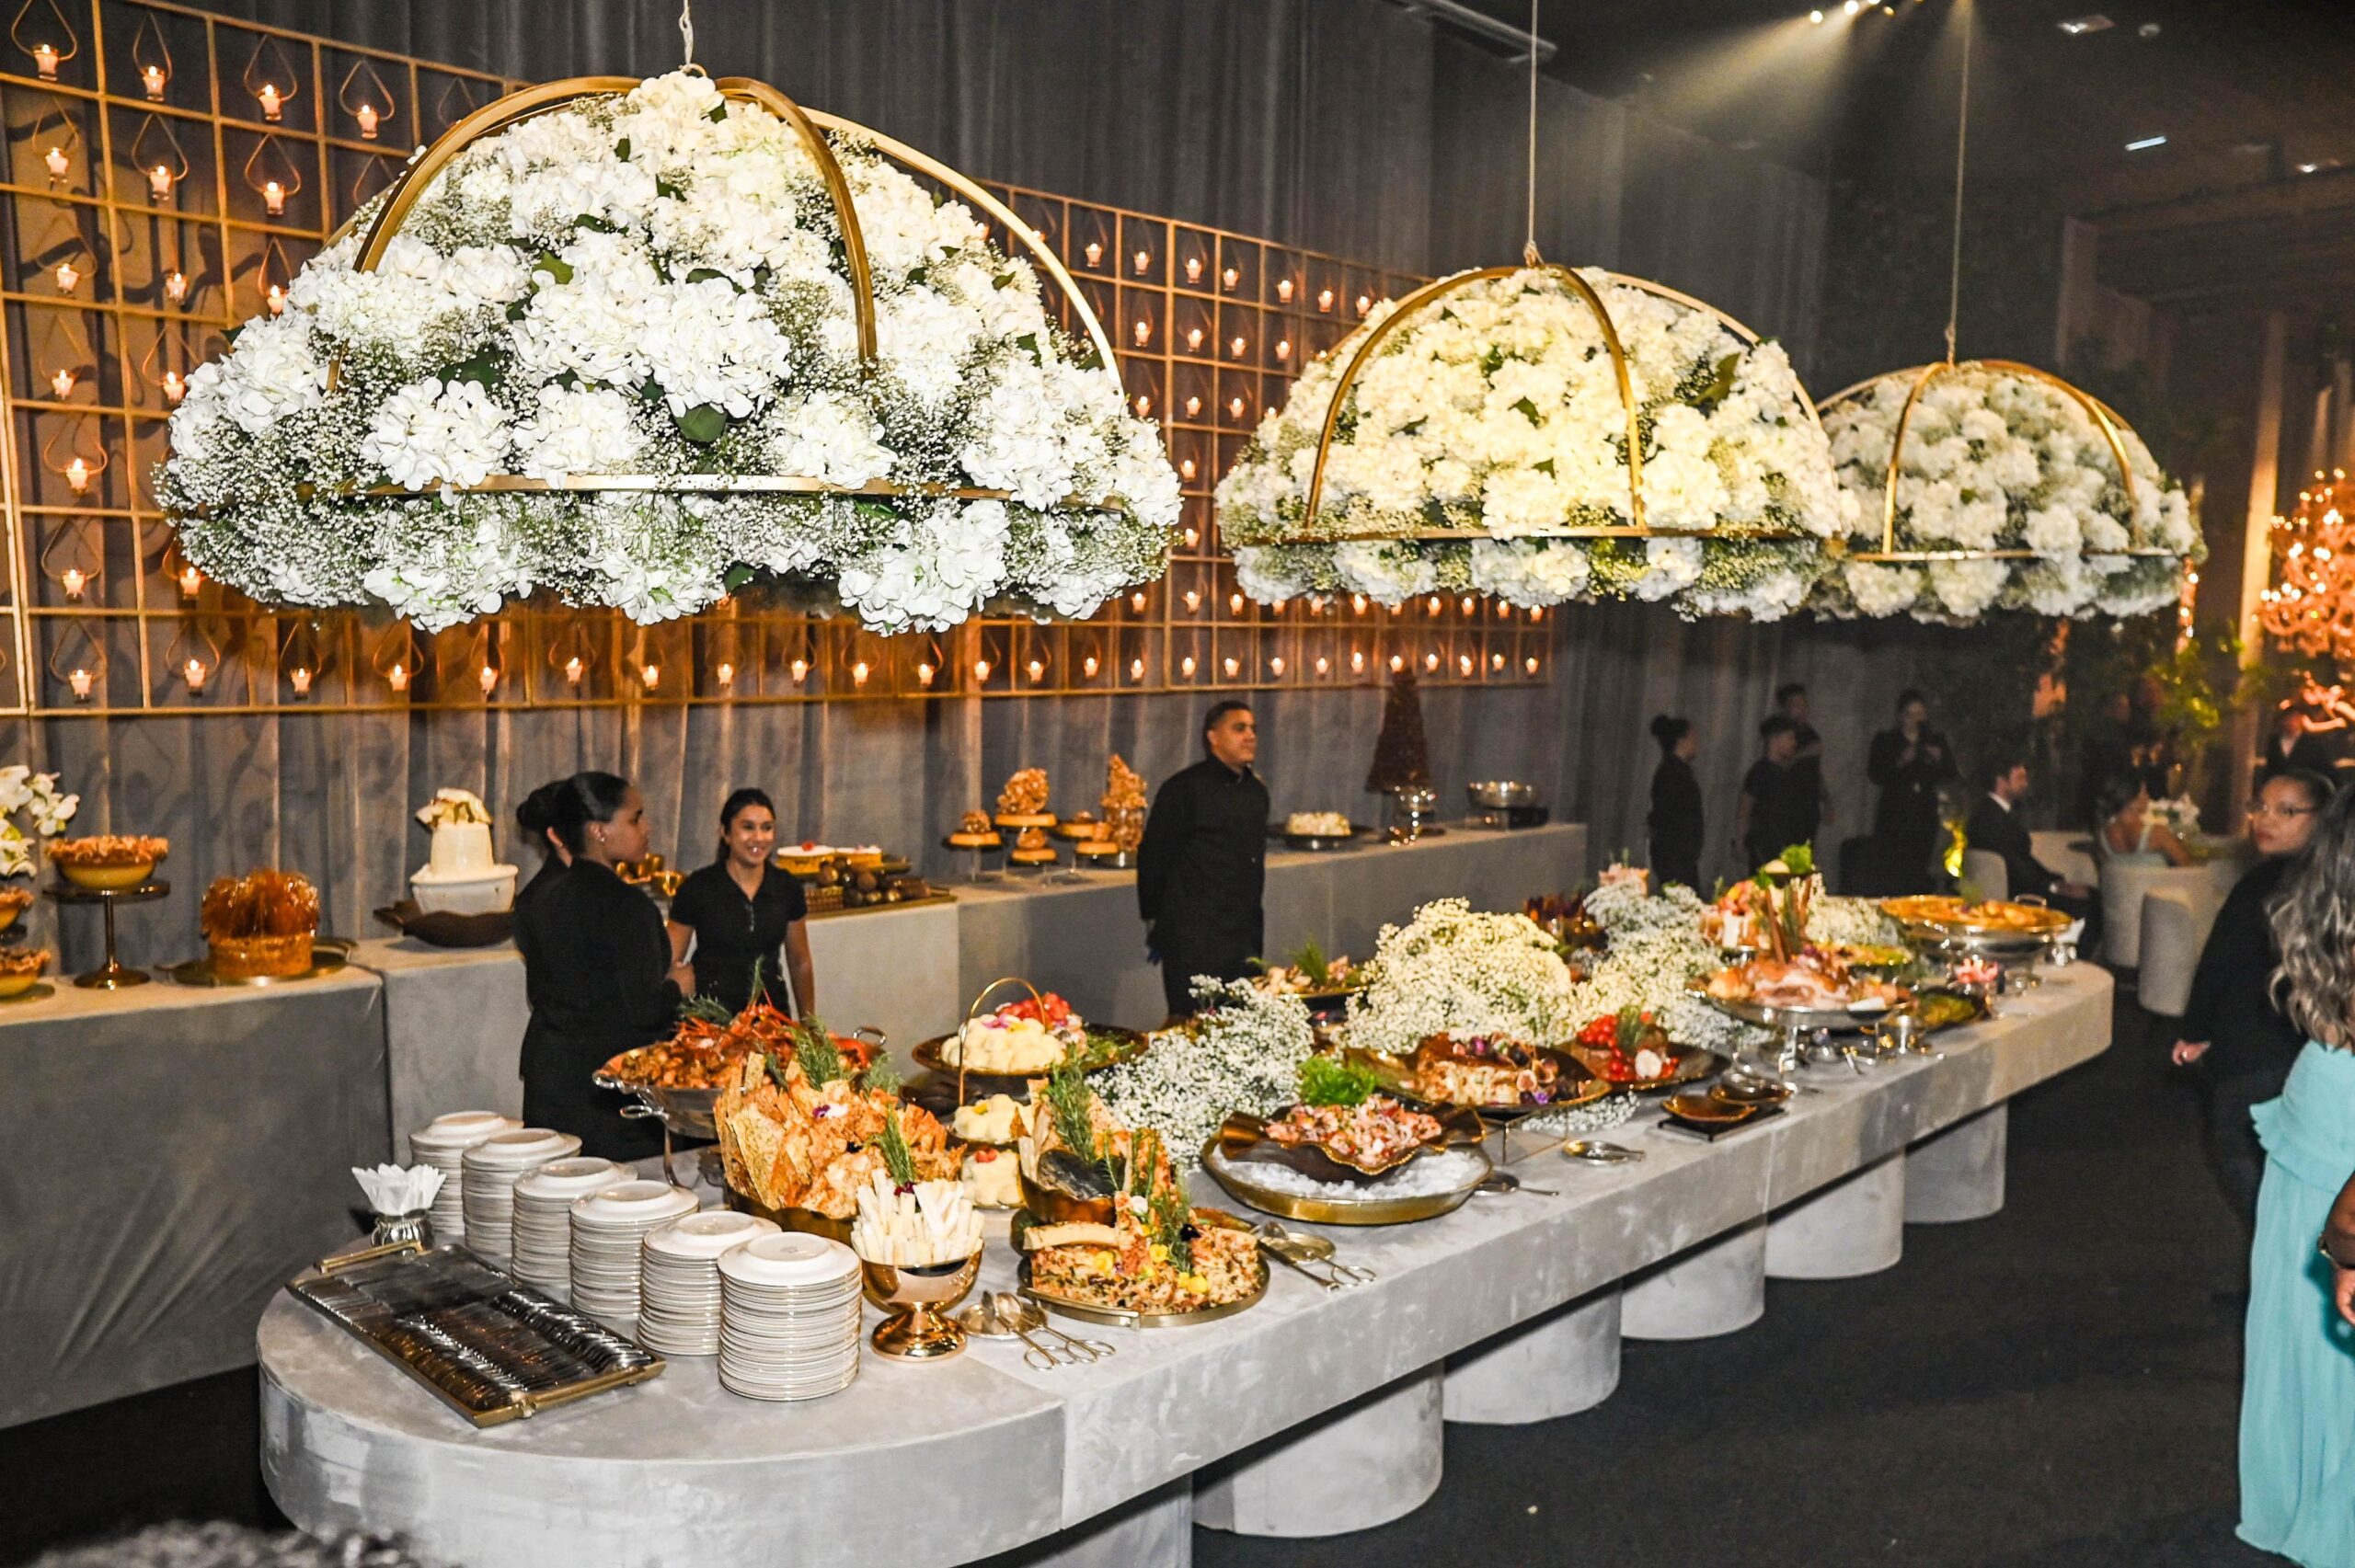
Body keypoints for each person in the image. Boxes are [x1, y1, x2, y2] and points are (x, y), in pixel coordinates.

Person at [2239, 783, 2355, 1563]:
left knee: (2310, 1331)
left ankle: (2310, 1491)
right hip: (2336, 1125)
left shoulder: (2328, 915)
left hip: (2325, 1094)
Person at [2173, 769, 2331, 1229]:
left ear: (2323, 819)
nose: (2266, 819)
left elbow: (2219, 964)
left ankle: (2285, 1248)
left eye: (2286, 811)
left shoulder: (2263, 886)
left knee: (2236, 1149)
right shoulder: (2333, 884)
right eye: (2260, 807)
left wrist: (2195, 1031)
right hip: (2314, 1049)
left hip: (2256, 1049)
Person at [511, 772, 695, 1161]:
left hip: (552, 1078)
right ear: (598, 831)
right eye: (635, 818)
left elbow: (551, 990)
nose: (647, 828)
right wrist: (679, 984)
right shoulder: (630, 907)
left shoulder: (539, 898)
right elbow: (643, 1011)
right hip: (609, 1090)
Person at [1138, 700, 1270, 1019]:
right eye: (1239, 728)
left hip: (1243, 933)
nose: (1250, 736)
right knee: (1191, 1022)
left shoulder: (1255, 791)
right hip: (1194, 934)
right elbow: (1154, 856)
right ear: (1213, 737)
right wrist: (1156, 919)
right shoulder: (1184, 789)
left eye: (1253, 729)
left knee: (1243, 1022)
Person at [666, 788, 814, 1018]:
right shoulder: (698, 887)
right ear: (725, 833)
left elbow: (800, 961)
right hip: (710, 1017)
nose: (759, 837)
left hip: (770, 1017)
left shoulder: (786, 886)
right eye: (748, 827)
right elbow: (669, 959)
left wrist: (810, 1025)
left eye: (767, 828)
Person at [1964, 758, 2093, 917]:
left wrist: (2055, 881)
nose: (2025, 784)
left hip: (2023, 888)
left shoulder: (1990, 813)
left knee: (2090, 895)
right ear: (2001, 781)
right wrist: (2053, 886)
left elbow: (2022, 860)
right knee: (2091, 904)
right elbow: (2015, 866)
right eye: (2020, 778)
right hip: (2019, 896)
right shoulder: (1992, 819)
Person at [1866, 689, 1957, 895]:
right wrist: (1900, 761)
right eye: (1910, 715)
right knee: (1892, 869)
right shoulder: (1886, 740)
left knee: (1918, 868)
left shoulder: (1935, 741)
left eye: (1920, 714)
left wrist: (1939, 758)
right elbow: (1875, 774)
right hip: (1894, 813)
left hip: (1924, 813)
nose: (1915, 720)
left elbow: (1950, 773)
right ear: (1900, 716)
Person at [1734, 715, 1817, 873]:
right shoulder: (1760, 772)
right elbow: (1745, 808)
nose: (1794, 743)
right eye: (1790, 738)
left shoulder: (1789, 773)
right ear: (1775, 740)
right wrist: (1740, 839)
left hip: (1790, 846)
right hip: (1766, 846)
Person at [1647, 715, 1703, 892]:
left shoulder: (1675, 771)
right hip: (1675, 853)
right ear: (1682, 741)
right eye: (1692, 738)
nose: (1696, 743)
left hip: (1678, 851)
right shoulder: (1673, 773)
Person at [2096, 777, 2194, 868]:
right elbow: (2188, 867)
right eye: (2145, 792)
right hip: (2156, 882)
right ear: (2131, 798)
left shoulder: (2102, 837)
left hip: (2121, 882)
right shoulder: (2157, 833)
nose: (2148, 796)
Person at [1775, 682, 1832, 835]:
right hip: (1786, 807)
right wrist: (1805, 753)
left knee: (1804, 848)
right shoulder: (1779, 733)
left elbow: (1815, 772)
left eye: (1804, 704)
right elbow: (1777, 766)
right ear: (1784, 708)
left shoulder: (1810, 734)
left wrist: (1827, 801)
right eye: (1796, 705)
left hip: (1808, 808)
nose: (1802, 709)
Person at [2076, 690, 2137, 831]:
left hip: (2103, 793)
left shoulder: (2117, 732)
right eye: (2122, 707)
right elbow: (2113, 764)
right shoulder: (2106, 733)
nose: (2127, 711)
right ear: (2108, 709)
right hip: (2104, 795)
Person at [2261, 705, 2340, 781]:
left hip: (2304, 785)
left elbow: (2324, 767)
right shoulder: (2274, 742)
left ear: (2301, 720)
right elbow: (2270, 768)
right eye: (2288, 718)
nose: (2291, 722)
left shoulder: (2312, 743)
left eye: (2295, 718)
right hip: (2279, 785)